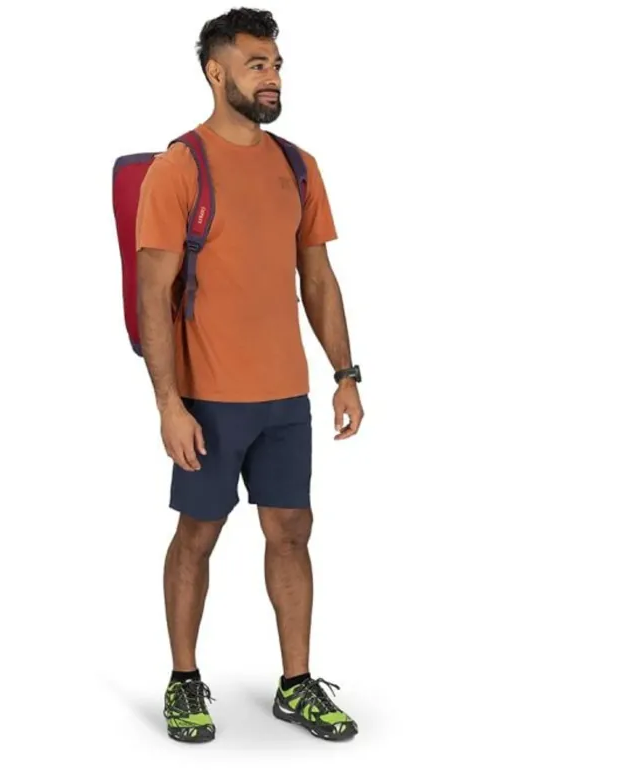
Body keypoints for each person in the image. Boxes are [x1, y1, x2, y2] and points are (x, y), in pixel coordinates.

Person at [135, 7, 363, 743]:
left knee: (291, 531)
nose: (272, 78)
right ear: (216, 72)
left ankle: (296, 684)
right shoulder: (180, 167)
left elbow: (318, 277)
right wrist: (169, 405)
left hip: (285, 397)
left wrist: (346, 373)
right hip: (208, 398)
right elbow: (151, 294)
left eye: (277, 65)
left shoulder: (298, 165)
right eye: (256, 65)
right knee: (198, 533)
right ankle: (183, 680)